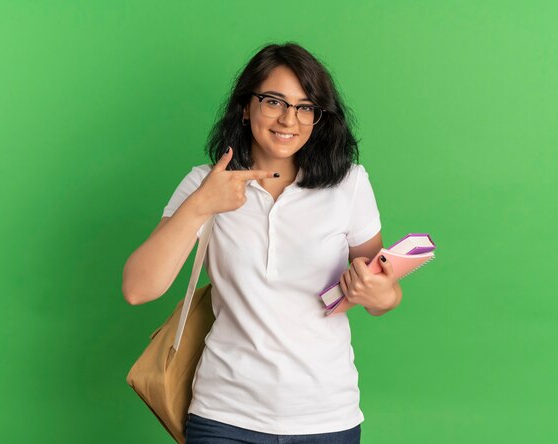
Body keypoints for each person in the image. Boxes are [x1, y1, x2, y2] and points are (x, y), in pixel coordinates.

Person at [122, 42, 403, 443]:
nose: (289, 119)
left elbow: (384, 294)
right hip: (223, 416)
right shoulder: (205, 183)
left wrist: (377, 293)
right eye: (274, 101)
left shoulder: (349, 184)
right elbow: (138, 289)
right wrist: (202, 204)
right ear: (245, 106)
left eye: (306, 107)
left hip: (326, 417)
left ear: (318, 118)